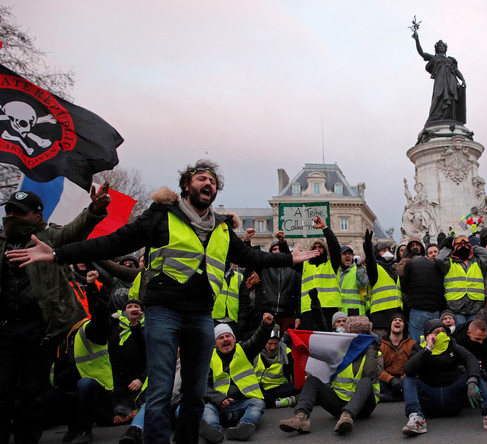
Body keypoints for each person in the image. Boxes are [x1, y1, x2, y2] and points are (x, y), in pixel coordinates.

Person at [7, 160, 318, 444]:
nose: (207, 183)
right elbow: (115, 242)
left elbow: (251, 256)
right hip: (163, 313)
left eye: (212, 180)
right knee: (159, 391)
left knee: (194, 393)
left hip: (200, 316)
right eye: (200, 178)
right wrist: (58, 254)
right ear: (186, 186)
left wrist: (289, 257)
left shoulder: (222, 226)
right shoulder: (160, 215)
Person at [0, 187, 109, 444]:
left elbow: (75, 231)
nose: (12, 215)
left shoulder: (48, 237)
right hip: (5, 329)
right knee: (2, 392)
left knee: (33, 393)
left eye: (20, 212)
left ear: (37, 216)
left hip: (41, 330)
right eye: (10, 211)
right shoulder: (1, 242)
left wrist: (94, 210)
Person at [401, 319, 487, 435]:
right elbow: (408, 369)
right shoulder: (419, 347)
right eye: (437, 332)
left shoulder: (452, 344)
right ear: (428, 335)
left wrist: (472, 381)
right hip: (430, 399)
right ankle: (415, 418)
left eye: (443, 331)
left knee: (473, 373)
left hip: (452, 396)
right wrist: (428, 349)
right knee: (408, 378)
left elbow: (470, 359)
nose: (441, 334)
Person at [279, 316, 381, 435]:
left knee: (366, 381)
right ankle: (301, 417)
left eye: (363, 333)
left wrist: (372, 349)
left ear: (368, 333)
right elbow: (314, 353)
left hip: (364, 406)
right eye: (355, 333)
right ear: (348, 334)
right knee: (312, 380)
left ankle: (347, 415)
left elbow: (370, 374)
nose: (359, 336)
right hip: (339, 404)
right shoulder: (337, 353)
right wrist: (293, 342)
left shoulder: (376, 353)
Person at [51, 270, 113, 444]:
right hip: (65, 387)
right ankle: (72, 426)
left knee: (84, 384)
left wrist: (92, 288)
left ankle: (85, 430)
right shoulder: (59, 334)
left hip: (96, 386)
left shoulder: (89, 329)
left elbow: (100, 317)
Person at [199, 315, 275, 443]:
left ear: (234, 339)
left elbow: (258, 340)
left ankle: (243, 427)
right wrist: (219, 399)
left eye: (228, 336)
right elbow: (203, 386)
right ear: (215, 344)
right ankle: (214, 431)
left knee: (258, 403)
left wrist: (266, 326)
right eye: (220, 338)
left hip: (243, 403)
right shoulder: (209, 359)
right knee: (206, 409)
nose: (225, 340)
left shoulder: (244, 350)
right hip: (220, 406)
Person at [292, 216, 342, 331]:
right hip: (308, 309)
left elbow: (335, 247)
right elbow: (288, 260)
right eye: (315, 247)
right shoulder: (304, 265)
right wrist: (283, 243)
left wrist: (325, 228)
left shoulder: (331, 264)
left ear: (325, 249)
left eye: (320, 247)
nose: (318, 249)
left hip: (329, 306)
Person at [436, 235, 487, 325]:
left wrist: (473, 246)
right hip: (456, 306)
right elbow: (439, 259)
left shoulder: (478, 262)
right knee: (460, 333)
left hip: (475, 305)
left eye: (466, 246)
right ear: (454, 248)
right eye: (459, 246)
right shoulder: (449, 263)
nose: (463, 248)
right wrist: (448, 248)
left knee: (474, 332)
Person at [109, 298, 146, 425]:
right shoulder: (115, 327)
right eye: (129, 307)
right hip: (119, 380)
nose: (133, 309)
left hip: (140, 379)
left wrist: (141, 378)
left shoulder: (148, 326)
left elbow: (149, 355)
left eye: (137, 306)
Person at [400, 237, 445, 340]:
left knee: (417, 343)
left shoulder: (410, 264)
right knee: (436, 341)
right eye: (412, 245)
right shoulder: (437, 266)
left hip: (417, 309)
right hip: (435, 309)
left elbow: (405, 287)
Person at [363, 230, 403, 335]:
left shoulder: (395, 268)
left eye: (388, 250)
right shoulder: (375, 269)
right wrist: (368, 247)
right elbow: (370, 260)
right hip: (380, 317)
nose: (387, 252)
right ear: (377, 254)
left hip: (396, 315)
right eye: (383, 250)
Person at [255, 328, 297, 408]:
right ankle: (280, 402)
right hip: (258, 388)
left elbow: (294, 371)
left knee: (301, 384)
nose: (273, 347)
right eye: (270, 343)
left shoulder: (286, 352)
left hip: (279, 388)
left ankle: (270, 402)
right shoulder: (255, 351)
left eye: (276, 344)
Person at [379, 313, 416, 402]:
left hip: (404, 380)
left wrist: (402, 379)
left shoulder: (412, 344)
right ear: (390, 325)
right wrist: (391, 380)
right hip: (385, 381)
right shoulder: (380, 344)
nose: (398, 322)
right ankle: (400, 396)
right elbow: (377, 368)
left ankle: (385, 397)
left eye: (401, 320)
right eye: (395, 320)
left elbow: (414, 367)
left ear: (404, 326)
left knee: (415, 383)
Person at [338, 245, 368, 317]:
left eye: (350, 254)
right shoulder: (336, 272)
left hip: (356, 312)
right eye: (344, 254)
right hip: (340, 313)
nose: (347, 256)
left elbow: (363, 283)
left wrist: (359, 267)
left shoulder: (359, 269)